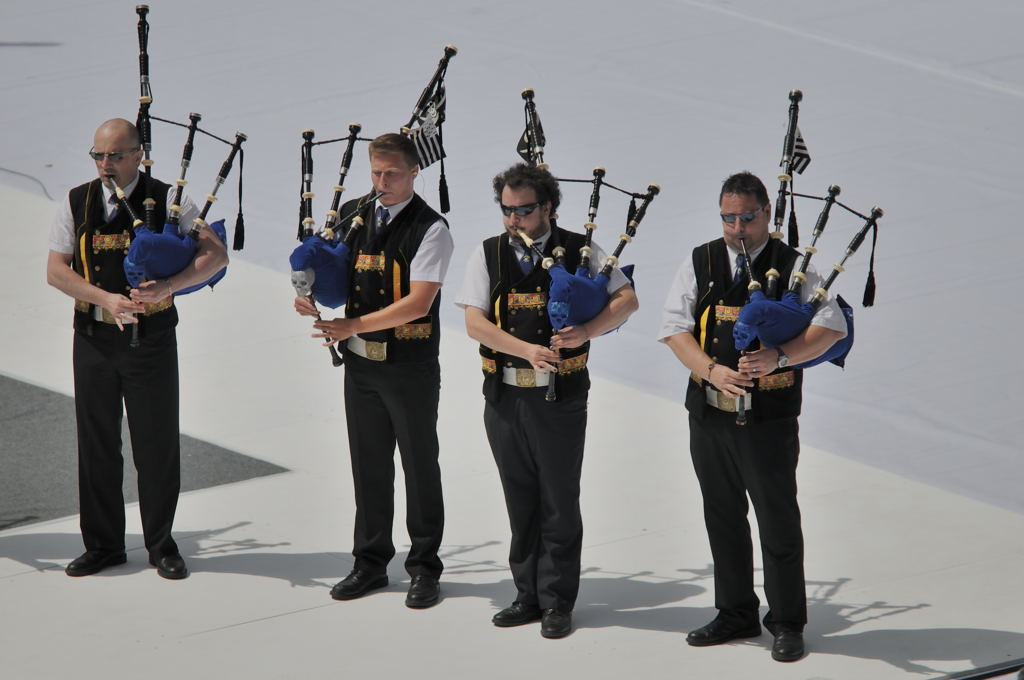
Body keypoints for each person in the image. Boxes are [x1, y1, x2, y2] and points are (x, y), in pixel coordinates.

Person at [658, 171, 846, 661]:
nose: (737, 228)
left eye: (747, 218)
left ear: (767, 214)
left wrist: (779, 358)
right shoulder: (700, 260)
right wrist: (710, 370)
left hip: (768, 419)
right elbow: (675, 328)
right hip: (710, 414)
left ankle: (786, 621)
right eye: (728, 218)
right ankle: (735, 611)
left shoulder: (795, 265)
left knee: (776, 520)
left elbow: (832, 327)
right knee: (722, 516)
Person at [456, 163, 638, 638]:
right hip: (504, 393)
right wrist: (526, 350)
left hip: (560, 397)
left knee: (558, 498)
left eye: (524, 210)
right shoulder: (489, 252)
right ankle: (526, 594)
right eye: (507, 210)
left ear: (548, 207)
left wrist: (587, 331)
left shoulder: (581, 249)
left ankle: (557, 600)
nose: (513, 219)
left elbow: (626, 300)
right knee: (519, 497)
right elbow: (475, 322)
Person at [46, 118, 227, 580]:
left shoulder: (167, 199)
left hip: (151, 339)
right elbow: (56, 270)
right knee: (97, 442)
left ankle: (161, 544)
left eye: (115, 155)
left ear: (138, 155)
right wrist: (104, 298)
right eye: (98, 155)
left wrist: (168, 286)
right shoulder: (77, 201)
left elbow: (215, 256)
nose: (105, 164)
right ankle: (103, 545)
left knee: (156, 442)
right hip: (94, 336)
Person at [295, 133, 453, 609]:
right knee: (368, 465)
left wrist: (352, 325)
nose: (382, 182)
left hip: (409, 365)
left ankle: (424, 567)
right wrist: (309, 291)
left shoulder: (431, 228)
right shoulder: (355, 213)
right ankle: (369, 562)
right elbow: (335, 272)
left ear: (414, 172)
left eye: (392, 174)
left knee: (419, 465)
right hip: (361, 365)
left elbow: (419, 303)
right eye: (376, 173)